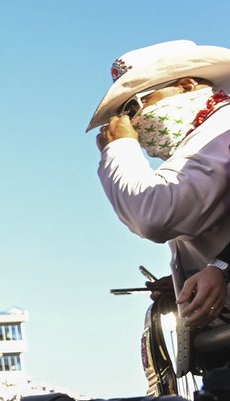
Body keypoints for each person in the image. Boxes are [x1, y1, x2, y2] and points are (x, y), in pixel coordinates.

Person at [90, 41, 230, 334]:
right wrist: (183, 278)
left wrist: (120, 149)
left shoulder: (220, 130)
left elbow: (155, 215)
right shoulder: (204, 137)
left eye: (135, 106)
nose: (132, 122)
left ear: (187, 85)